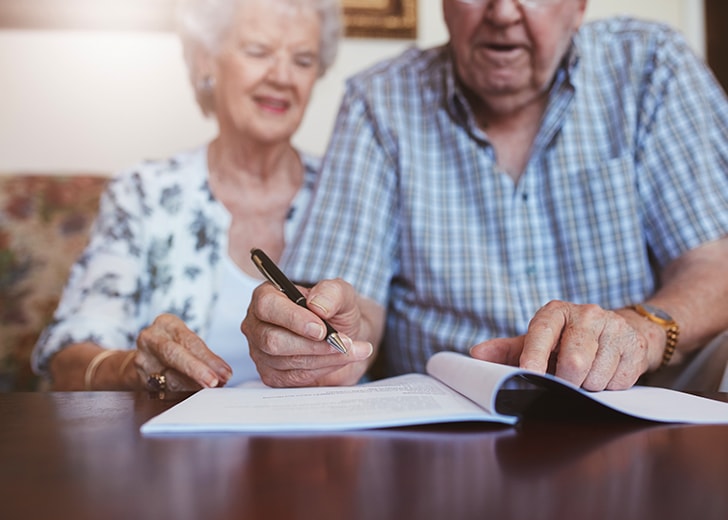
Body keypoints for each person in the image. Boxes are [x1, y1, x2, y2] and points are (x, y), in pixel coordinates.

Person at [242, 0, 728, 391]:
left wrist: (636, 332)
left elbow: (715, 265)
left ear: (578, 6)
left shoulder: (650, 67)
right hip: (443, 442)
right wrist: (322, 343)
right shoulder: (379, 101)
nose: (502, 12)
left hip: (633, 416)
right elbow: (355, 311)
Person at [31, 0, 342, 391]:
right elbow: (68, 359)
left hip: (317, 445)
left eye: (303, 59)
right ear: (204, 61)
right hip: (180, 446)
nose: (282, 76)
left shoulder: (347, 188)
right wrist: (134, 367)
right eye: (258, 51)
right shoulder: (144, 193)